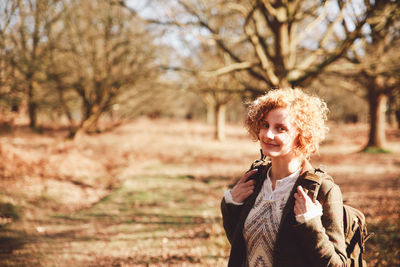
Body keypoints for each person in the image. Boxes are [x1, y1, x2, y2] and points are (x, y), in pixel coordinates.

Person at [221, 88, 347, 267]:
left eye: (281, 128)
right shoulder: (254, 180)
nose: (268, 134)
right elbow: (242, 246)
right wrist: (231, 206)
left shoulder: (323, 191)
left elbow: (338, 265)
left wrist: (311, 223)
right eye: (265, 125)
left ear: (301, 136)